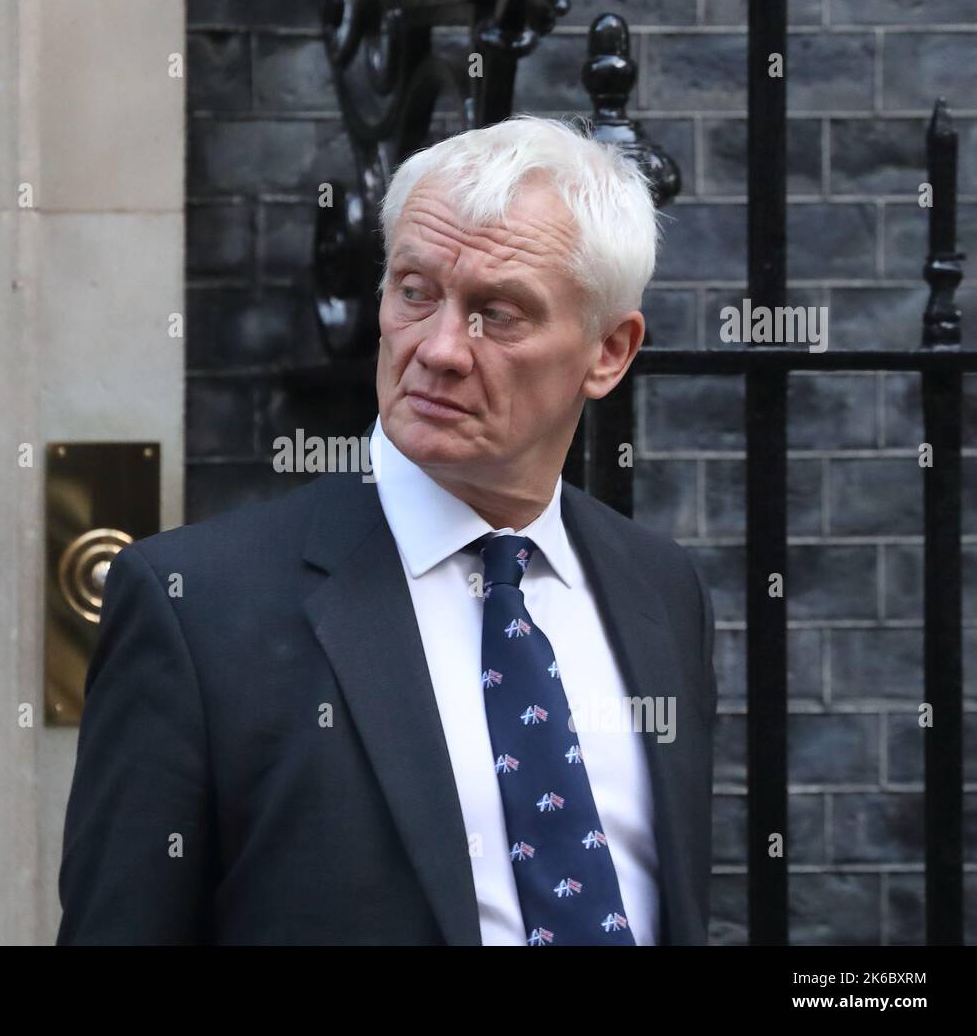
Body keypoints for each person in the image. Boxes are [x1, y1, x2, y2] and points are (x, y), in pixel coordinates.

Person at [57, 115, 717, 945]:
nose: (439, 348)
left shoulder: (660, 588)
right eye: (415, 291)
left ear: (609, 353)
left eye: (499, 312)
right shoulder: (199, 607)